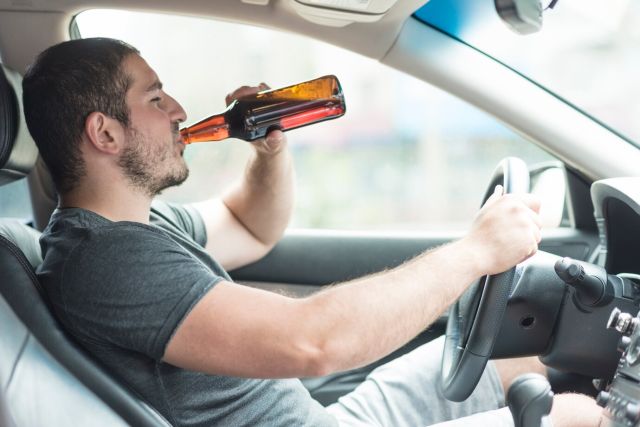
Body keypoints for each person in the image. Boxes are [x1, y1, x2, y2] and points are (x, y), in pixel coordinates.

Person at [23, 37, 602, 427]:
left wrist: (269, 151)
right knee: (579, 418)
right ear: (104, 133)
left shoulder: (140, 225)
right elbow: (313, 342)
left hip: (326, 419)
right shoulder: (108, 261)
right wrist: (475, 251)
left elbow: (251, 226)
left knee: (523, 360)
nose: (177, 110)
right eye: (154, 99)